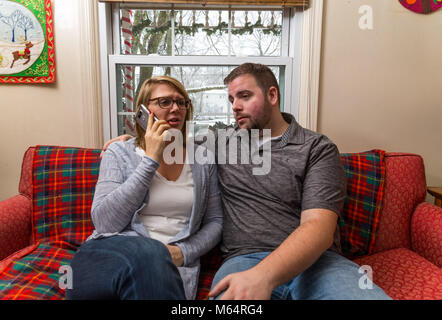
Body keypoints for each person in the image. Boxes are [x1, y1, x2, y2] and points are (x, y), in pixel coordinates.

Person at [103, 63, 391, 300]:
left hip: (317, 262)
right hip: (243, 260)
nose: (235, 107)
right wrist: (131, 140)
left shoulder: (316, 148)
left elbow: (318, 228)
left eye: (244, 96)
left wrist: (264, 276)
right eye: (231, 99)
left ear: (272, 95)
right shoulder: (218, 143)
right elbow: (168, 141)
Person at [66, 76, 223, 300]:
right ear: (143, 110)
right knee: (148, 251)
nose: (176, 108)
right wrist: (150, 159)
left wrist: (183, 252)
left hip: (169, 266)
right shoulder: (119, 153)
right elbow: (104, 222)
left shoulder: (203, 159)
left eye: (182, 102)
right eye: (164, 102)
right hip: (111, 254)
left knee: (152, 262)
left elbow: (215, 221)